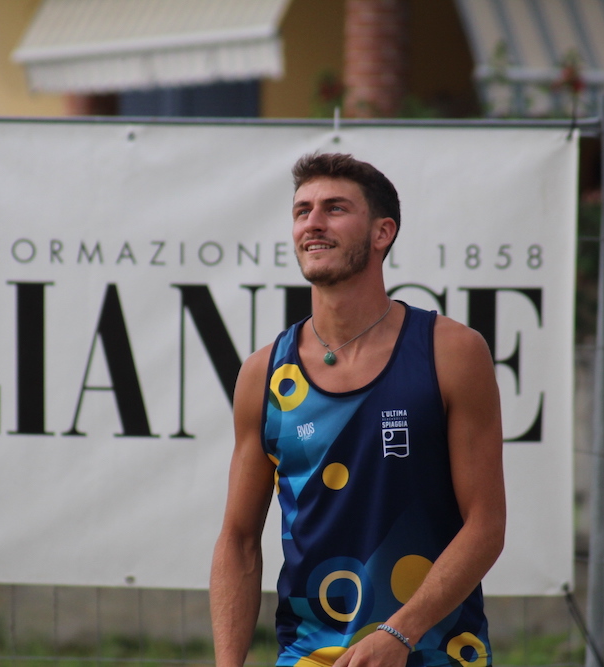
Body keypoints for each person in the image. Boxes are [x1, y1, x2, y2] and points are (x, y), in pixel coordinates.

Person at [210, 153, 505, 667]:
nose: (313, 223)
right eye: (302, 211)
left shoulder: (451, 352)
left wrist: (399, 633)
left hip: (433, 653)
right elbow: (238, 541)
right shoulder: (264, 374)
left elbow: (485, 526)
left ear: (382, 232)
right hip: (310, 655)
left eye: (335, 208)